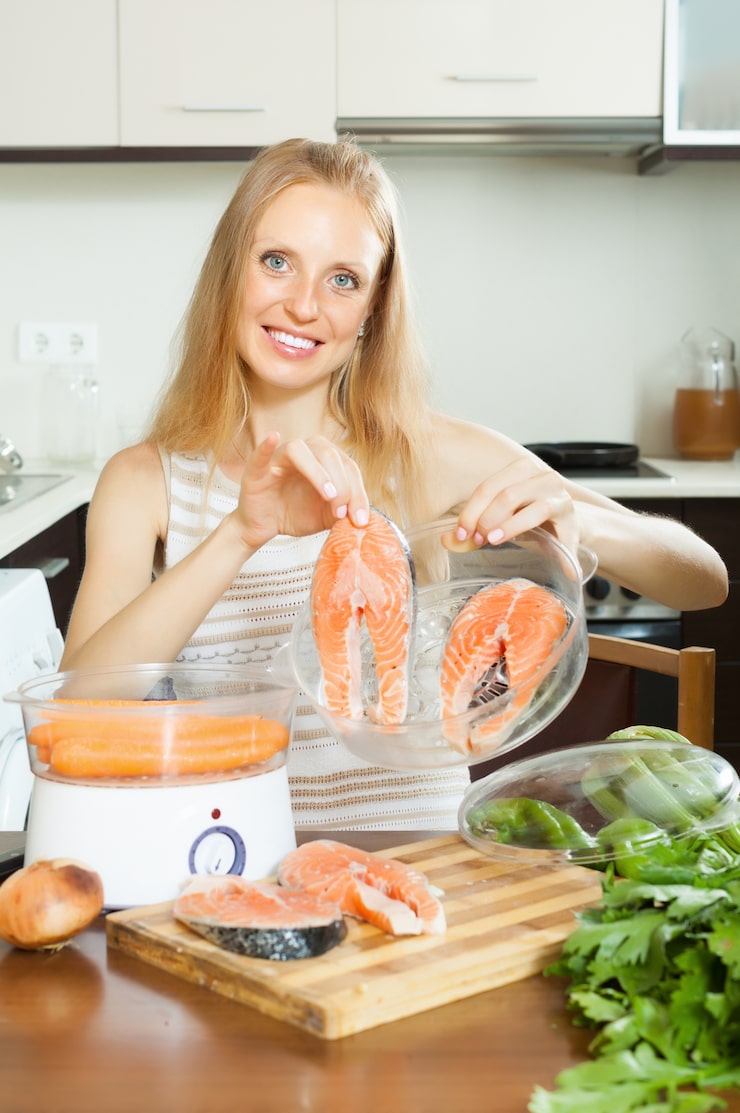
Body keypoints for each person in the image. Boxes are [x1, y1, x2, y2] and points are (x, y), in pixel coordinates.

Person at [60, 137, 728, 831]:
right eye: (276, 261)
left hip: (416, 852)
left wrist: (584, 524)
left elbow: (703, 580)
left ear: (373, 309)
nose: (303, 305)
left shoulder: (425, 455)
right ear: (230, 272)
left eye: (343, 280)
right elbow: (78, 708)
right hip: (231, 852)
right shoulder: (145, 482)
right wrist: (241, 533)